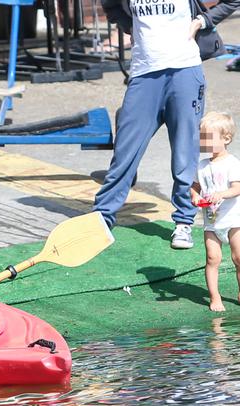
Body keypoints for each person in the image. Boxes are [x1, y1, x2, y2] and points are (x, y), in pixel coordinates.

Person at [95, 0, 240, 249]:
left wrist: (201, 21)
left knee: (185, 153)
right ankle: (101, 218)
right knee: (124, 153)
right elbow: (110, 5)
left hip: (185, 71)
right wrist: (131, 26)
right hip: (144, 74)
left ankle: (183, 222)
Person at [190, 112, 240, 311]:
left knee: (239, 258)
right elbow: (194, 187)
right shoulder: (202, 166)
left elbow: (237, 188)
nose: (204, 141)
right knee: (212, 258)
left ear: (226, 138)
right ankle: (214, 296)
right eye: (202, 137)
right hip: (211, 221)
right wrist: (194, 196)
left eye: (208, 137)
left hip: (234, 219)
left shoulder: (232, 163)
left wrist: (221, 194)